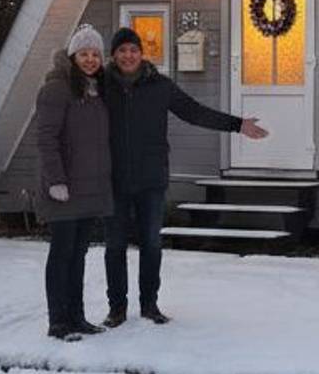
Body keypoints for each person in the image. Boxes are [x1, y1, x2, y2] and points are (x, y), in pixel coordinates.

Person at [102, 26, 268, 326]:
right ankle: (117, 309)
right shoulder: (101, 86)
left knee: (151, 244)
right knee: (114, 246)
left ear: (142, 54)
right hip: (112, 180)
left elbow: (194, 112)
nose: (128, 56)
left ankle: (149, 305)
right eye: (122, 50)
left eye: (133, 50)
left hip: (151, 179)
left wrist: (237, 124)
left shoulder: (160, 86)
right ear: (113, 55)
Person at [35, 25, 115, 341]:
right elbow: (46, 139)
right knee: (62, 255)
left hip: (88, 190)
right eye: (84, 54)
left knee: (78, 255)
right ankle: (58, 322)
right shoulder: (56, 90)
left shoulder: (97, 90)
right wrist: (56, 180)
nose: (90, 59)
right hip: (64, 189)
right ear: (72, 56)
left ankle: (77, 317)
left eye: (95, 54)